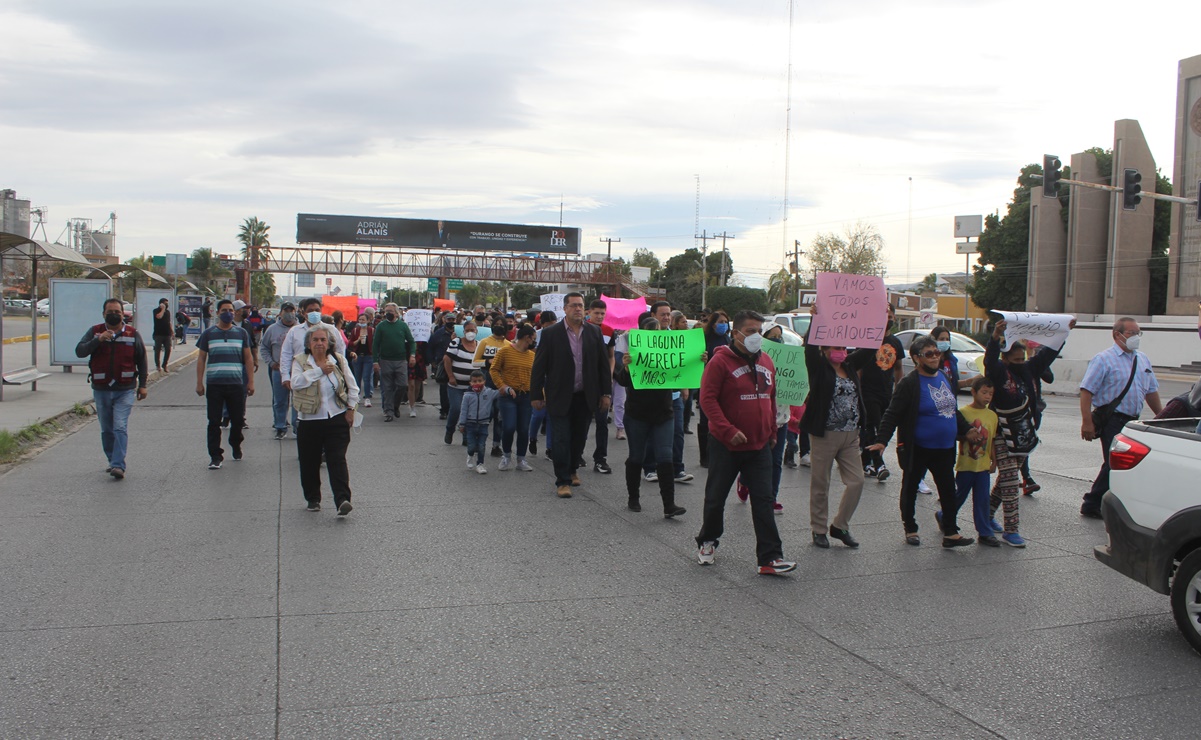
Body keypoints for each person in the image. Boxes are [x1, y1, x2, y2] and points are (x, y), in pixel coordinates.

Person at [694, 310, 796, 576]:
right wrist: (727, 430)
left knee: (764, 500)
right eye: (750, 332)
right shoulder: (720, 362)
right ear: (736, 333)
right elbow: (708, 400)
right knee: (716, 498)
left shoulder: (767, 361)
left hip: (759, 445)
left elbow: (770, 397)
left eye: (759, 332)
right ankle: (707, 541)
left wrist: (772, 430)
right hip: (726, 445)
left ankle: (770, 558)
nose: (756, 337)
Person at [868, 336, 977, 547]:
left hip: (944, 447)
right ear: (917, 358)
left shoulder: (944, 376)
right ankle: (910, 528)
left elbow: (952, 410)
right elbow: (892, 414)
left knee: (947, 490)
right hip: (918, 448)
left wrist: (967, 430)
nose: (935, 357)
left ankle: (951, 532)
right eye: (929, 354)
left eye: (937, 353)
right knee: (910, 488)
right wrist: (882, 441)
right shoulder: (909, 383)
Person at [983, 317, 1072, 545]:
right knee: (1012, 482)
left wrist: (1063, 333)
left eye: (1022, 359)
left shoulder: (1029, 369)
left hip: (1025, 436)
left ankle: (986, 513)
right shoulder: (1000, 372)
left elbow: (1047, 354)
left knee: (1006, 480)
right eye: (1015, 359)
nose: (1020, 362)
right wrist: (995, 339)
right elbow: (990, 362)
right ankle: (1011, 530)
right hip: (1002, 435)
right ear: (1005, 359)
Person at [801, 301, 877, 549]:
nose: (842, 351)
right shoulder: (818, 366)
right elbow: (810, 348)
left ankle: (840, 525)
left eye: (844, 347)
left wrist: (880, 319)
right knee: (821, 484)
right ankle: (819, 529)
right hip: (825, 434)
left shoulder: (850, 365)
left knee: (857, 481)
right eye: (836, 347)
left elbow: (869, 345)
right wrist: (815, 320)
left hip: (850, 435)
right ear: (824, 348)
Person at [529, 292, 612, 498]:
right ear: (565, 309)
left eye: (580, 305)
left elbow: (603, 366)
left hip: (586, 396)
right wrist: (536, 394)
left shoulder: (594, 332)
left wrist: (606, 393)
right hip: (559, 395)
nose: (577, 309)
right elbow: (539, 367)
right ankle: (562, 480)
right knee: (560, 439)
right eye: (573, 305)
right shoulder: (551, 334)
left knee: (579, 437)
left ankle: (573, 468)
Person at [1079, 317, 1161, 520]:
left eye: (1138, 333)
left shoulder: (1142, 359)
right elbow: (1086, 391)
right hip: (1112, 420)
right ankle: (1092, 503)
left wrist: (1161, 417)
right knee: (1113, 462)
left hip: (1133, 421)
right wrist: (1087, 421)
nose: (1136, 337)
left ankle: (1108, 501)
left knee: (1126, 463)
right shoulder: (1104, 359)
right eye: (1132, 333)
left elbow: (1151, 391)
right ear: (1117, 335)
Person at [615, 315, 686, 517]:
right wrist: (627, 368)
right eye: (650, 332)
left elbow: (683, 371)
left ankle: (669, 505)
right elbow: (621, 381)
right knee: (637, 456)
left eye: (657, 332)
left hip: (663, 413)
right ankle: (633, 497)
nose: (654, 335)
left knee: (665, 457)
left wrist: (698, 361)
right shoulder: (632, 353)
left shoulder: (668, 351)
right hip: (637, 414)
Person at [289, 323, 359, 515]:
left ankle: (342, 499)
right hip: (309, 420)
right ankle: (313, 498)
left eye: (323, 340)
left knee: (337, 459)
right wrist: (319, 371)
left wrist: (351, 409)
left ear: (329, 343)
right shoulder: (300, 361)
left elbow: (352, 387)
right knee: (309, 461)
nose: (319, 343)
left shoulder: (338, 360)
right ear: (308, 343)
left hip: (336, 418)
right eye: (315, 340)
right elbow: (295, 383)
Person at [75, 297, 149, 480]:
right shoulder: (95, 332)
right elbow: (80, 351)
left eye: (118, 312)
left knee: (120, 427)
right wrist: (98, 340)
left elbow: (142, 359)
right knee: (107, 429)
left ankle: (118, 465)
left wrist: (143, 385)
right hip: (101, 389)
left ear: (123, 314)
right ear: (103, 314)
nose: (115, 315)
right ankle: (112, 459)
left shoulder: (132, 334)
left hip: (125, 388)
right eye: (111, 312)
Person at [195, 299, 255, 469]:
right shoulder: (208, 333)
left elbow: (248, 358)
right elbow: (201, 358)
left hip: (236, 384)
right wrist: (199, 382)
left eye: (230, 310)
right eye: (224, 310)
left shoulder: (241, 333)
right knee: (214, 421)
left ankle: (236, 444)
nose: (227, 313)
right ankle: (215, 455)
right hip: (215, 384)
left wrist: (250, 381)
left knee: (237, 420)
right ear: (217, 312)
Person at [954, 377, 1003, 547]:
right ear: (973, 392)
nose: (987, 396)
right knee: (959, 496)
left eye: (990, 393)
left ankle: (985, 532)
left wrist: (993, 461)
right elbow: (956, 436)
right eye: (984, 392)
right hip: (966, 465)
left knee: (982, 499)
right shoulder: (963, 413)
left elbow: (993, 440)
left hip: (982, 466)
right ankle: (945, 515)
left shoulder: (992, 416)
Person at [858, 303, 904, 483]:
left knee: (883, 430)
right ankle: (879, 465)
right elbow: (859, 368)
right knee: (873, 427)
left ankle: (863, 460)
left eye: (891, 316)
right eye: (886, 315)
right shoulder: (867, 340)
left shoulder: (896, 343)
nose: (889, 319)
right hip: (868, 393)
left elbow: (899, 369)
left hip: (887, 394)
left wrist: (897, 389)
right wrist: (859, 391)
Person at [491, 324, 537, 472]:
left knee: (524, 429)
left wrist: (540, 394)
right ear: (526, 337)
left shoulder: (532, 355)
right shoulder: (505, 351)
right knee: (509, 426)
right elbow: (494, 370)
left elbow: (537, 376)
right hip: (508, 396)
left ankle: (521, 459)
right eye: (533, 338)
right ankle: (506, 456)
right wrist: (502, 386)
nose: (534, 341)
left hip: (526, 396)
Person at [474, 314, 513, 456]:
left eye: (502, 325)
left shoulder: (509, 345)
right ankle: (479, 442)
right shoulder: (484, 342)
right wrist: (487, 362)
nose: (499, 327)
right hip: (487, 381)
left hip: (502, 383)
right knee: (486, 414)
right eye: (496, 324)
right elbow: (474, 361)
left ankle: (496, 445)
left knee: (500, 416)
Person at [584, 299, 615, 474]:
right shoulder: (581, 329)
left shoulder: (609, 332)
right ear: (589, 312)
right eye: (596, 313)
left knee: (602, 422)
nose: (600, 316)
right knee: (583, 422)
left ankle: (600, 459)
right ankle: (577, 454)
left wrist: (609, 376)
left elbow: (611, 356)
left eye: (603, 313)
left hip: (602, 385)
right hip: (584, 384)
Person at [260, 302, 298, 440]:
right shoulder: (272, 329)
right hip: (279, 370)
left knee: (298, 399)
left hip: (298, 371)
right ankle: (280, 426)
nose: (289, 313)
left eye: (291, 310)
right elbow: (264, 348)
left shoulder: (300, 329)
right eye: (286, 310)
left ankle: (297, 426)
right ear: (281, 313)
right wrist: (271, 363)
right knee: (280, 400)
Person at [372, 303, 417, 422]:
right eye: (386, 311)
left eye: (391, 311)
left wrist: (412, 355)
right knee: (387, 387)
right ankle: (389, 412)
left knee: (402, 385)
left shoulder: (403, 326)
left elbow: (412, 342)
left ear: (397, 313)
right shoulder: (381, 326)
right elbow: (375, 344)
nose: (388, 314)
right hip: (385, 360)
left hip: (401, 360)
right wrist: (375, 361)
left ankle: (396, 405)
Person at [698, 310, 731, 468]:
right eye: (720, 322)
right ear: (712, 324)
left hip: (726, 386)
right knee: (705, 421)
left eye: (725, 322)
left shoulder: (728, 339)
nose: (723, 325)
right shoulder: (704, 340)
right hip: (708, 384)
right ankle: (705, 456)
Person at [443, 320, 480, 445]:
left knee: (470, 412)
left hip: (472, 387)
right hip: (456, 385)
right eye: (468, 330)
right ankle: (449, 430)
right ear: (463, 331)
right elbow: (447, 359)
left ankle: (466, 436)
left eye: (472, 330)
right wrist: (451, 376)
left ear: (477, 331)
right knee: (456, 408)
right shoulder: (456, 343)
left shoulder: (480, 345)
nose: (470, 333)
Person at [459, 369, 499, 474]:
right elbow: (463, 410)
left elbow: (499, 393)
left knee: (481, 445)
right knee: (471, 446)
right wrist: (462, 424)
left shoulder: (489, 392)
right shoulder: (467, 395)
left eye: (480, 380)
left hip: (483, 424)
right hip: (470, 425)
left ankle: (480, 464)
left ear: (484, 381)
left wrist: (508, 389)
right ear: (470, 383)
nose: (477, 383)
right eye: (474, 381)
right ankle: (470, 455)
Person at [428, 312, 457, 419]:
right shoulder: (438, 333)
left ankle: (454, 410)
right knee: (444, 388)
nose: (451, 322)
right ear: (445, 320)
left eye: (453, 320)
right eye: (449, 320)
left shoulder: (459, 332)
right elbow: (430, 347)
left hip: (457, 363)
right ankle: (444, 410)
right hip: (442, 364)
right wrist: (432, 361)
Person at [346, 311, 375, 409]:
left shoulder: (372, 330)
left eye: (363, 320)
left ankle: (367, 397)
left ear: (368, 321)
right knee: (356, 377)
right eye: (360, 320)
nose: (361, 321)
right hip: (357, 356)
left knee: (366, 377)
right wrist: (358, 340)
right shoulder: (355, 331)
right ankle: (356, 396)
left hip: (368, 356)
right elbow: (350, 344)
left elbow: (375, 344)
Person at [151, 297, 174, 372]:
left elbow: (169, 322)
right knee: (157, 350)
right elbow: (159, 317)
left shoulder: (168, 312)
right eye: (165, 303)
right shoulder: (156, 311)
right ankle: (158, 365)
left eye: (167, 303)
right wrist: (162, 309)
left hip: (167, 334)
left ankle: (165, 364)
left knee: (168, 349)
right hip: (158, 334)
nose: (166, 305)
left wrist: (172, 332)